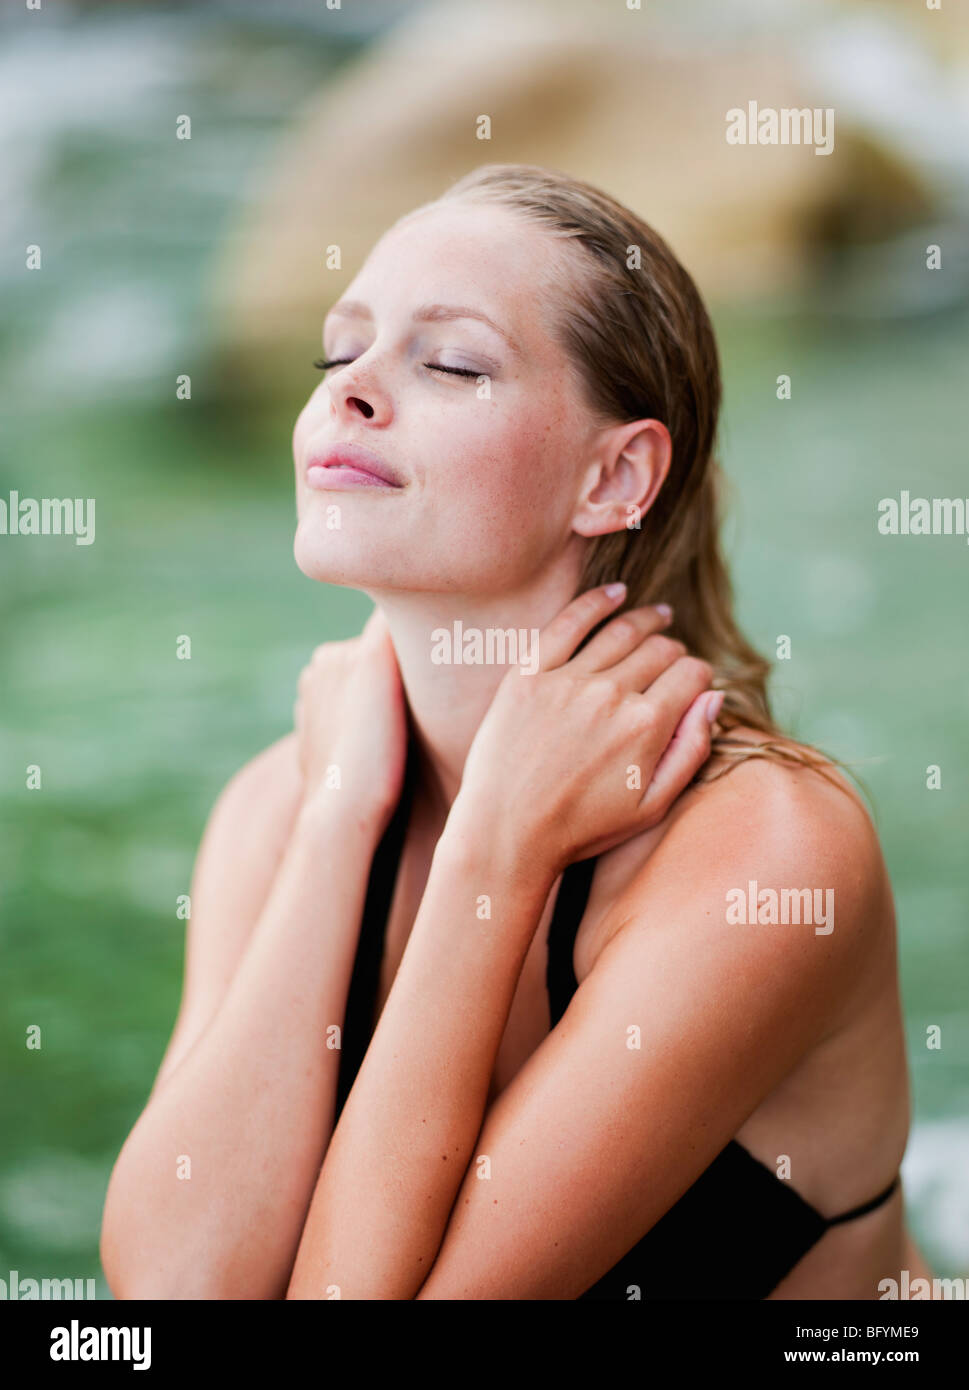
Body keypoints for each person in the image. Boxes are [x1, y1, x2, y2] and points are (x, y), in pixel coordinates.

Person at [101, 164, 934, 1300]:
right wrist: (343, 814)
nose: (349, 390)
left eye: (449, 362)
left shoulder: (767, 856)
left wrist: (495, 848)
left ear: (614, 476)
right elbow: (167, 1298)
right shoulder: (283, 806)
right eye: (338, 352)